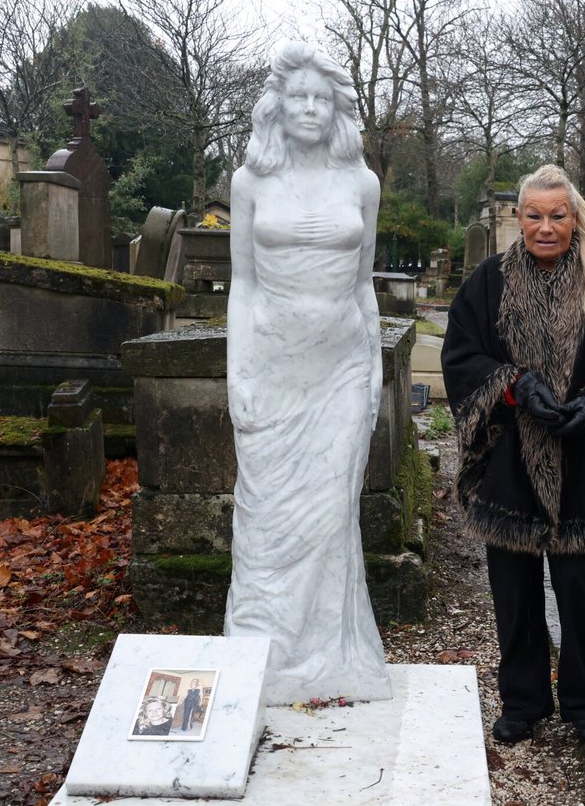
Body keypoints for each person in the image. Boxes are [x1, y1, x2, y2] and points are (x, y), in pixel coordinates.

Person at [441, 164, 585, 745]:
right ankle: (523, 701)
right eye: (534, 215)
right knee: (513, 592)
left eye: (557, 216)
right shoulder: (487, 283)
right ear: (519, 219)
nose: (546, 227)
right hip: (508, 461)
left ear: (574, 219)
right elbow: (461, 357)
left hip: (581, 460)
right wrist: (514, 386)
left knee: (578, 589)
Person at [223, 41, 391, 705]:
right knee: (266, 516)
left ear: (337, 108)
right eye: (300, 96)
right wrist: (236, 373)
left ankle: (334, 655)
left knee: (331, 513)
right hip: (272, 366)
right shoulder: (250, 182)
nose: (311, 108)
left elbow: (365, 283)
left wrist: (374, 366)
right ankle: (266, 653)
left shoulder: (362, 184)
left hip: (343, 366)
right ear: (279, 104)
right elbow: (241, 285)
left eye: (323, 98)